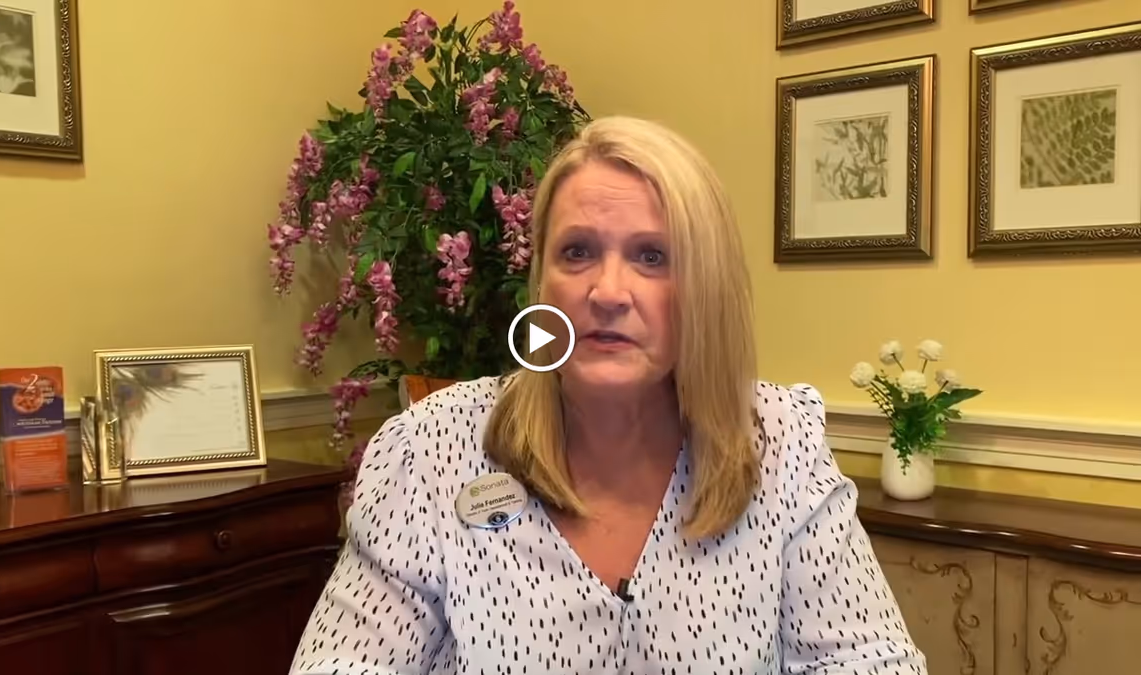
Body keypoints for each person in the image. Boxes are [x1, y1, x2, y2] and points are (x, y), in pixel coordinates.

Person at [290, 116, 927, 674]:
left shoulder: (779, 440)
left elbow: (868, 659)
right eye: (577, 252)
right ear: (543, 280)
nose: (608, 292)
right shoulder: (432, 448)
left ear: (704, 287)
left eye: (652, 257)